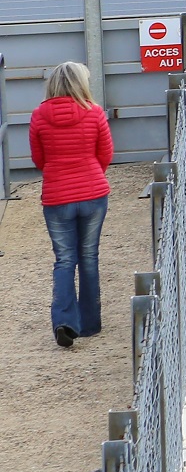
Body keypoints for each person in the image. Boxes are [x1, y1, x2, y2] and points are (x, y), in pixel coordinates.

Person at [30, 61, 114, 349]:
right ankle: (90, 322)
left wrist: (58, 172)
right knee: (89, 256)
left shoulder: (39, 115)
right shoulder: (94, 112)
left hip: (56, 197)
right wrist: (89, 174)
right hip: (93, 194)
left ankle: (66, 322)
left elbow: (39, 159)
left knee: (65, 260)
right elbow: (105, 154)